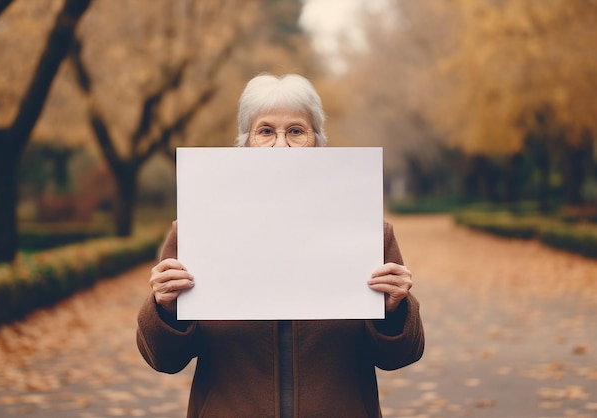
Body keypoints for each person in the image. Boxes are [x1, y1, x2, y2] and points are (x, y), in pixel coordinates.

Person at [137, 74, 425, 418]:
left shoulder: (368, 235)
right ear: (245, 144)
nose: (281, 145)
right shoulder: (197, 233)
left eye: (296, 131)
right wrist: (164, 309)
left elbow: (401, 356)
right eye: (265, 131)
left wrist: (396, 310)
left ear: (317, 143)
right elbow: (164, 360)